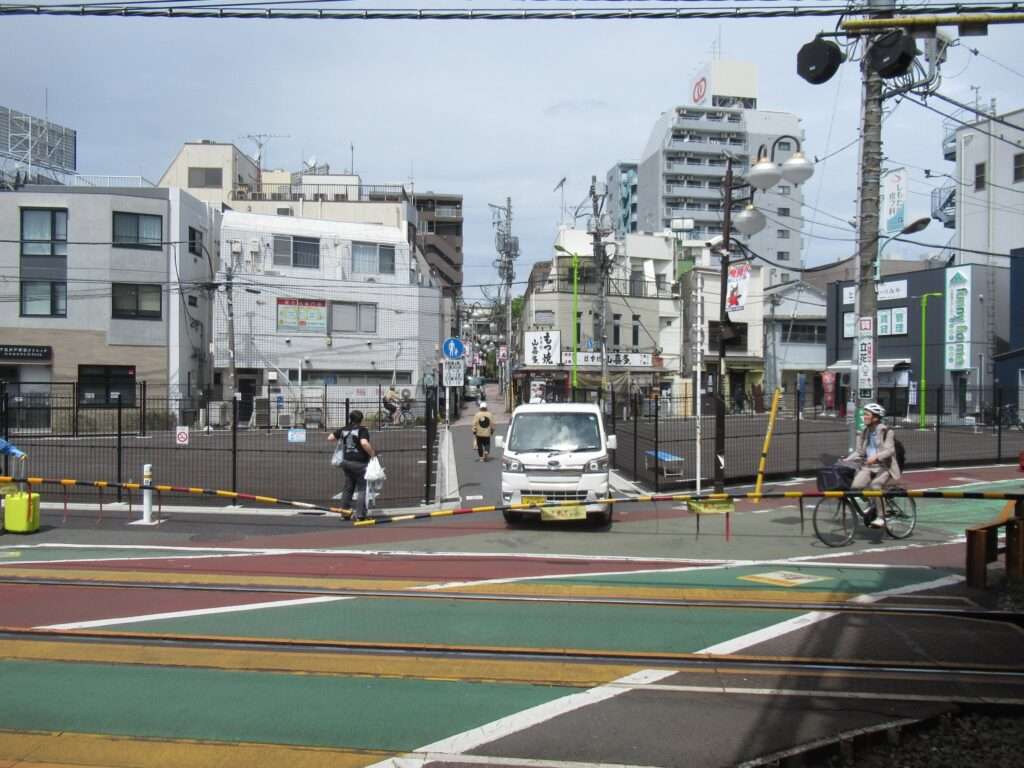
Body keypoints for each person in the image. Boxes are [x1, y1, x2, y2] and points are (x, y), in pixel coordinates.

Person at [844, 402, 901, 527]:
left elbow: (890, 450)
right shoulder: (864, 432)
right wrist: (847, 460)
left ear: (875, 417)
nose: (864, 417)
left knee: (875, 485)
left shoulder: (886, 431)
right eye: (864, 414)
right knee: (854, 488)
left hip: (884, 467)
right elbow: (859, 452)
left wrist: (876, 457)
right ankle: (873, 503)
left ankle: (881, 517)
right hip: (868, 467)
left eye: (866, 415)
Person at [327, 410, 377, 520]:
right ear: (361, 419)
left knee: (348, 488)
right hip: (360, 462)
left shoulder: (344, 429)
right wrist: (372, 453)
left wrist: (340, 438)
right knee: (362, 488)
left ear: (350, 418)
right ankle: (360, 514)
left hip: (346, 462)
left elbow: (330, 437)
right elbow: (364, 443)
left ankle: (345, 513)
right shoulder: (362, 430)